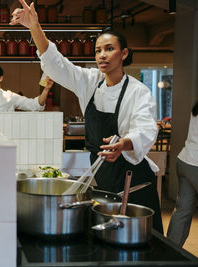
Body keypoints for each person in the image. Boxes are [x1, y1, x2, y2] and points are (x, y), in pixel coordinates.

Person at [10, 0, 163, 233]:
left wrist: (123, 144)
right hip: (105, 177)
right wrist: (34, 27)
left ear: (124, 54)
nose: (102, 55)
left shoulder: (138, 91)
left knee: (143, 241)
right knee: (111, 236)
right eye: (98, 50)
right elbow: (56, 63)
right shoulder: (90, 81)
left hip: (134, 181)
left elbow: (146, 129)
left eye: (109, 49)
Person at [167, 101, 198, 246]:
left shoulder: (196, 107)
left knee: (182, 211)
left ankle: (171, 254)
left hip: (186, 161)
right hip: (196, 165)